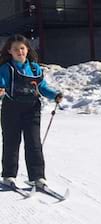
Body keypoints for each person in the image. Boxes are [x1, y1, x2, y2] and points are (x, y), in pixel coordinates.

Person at [0, 34, 63, 188]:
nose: (19, 52)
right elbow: (1, 83)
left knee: (34, 142)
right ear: (10, 51)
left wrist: (55, 95)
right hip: (11, 108)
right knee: (11, 142)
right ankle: (8, 175)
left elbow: (42, 87)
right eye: (16, 49)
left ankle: (37, 177)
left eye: (22, 48)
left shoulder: (34, 68)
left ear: (27, 49)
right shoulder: (6, 68)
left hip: (32, 108)